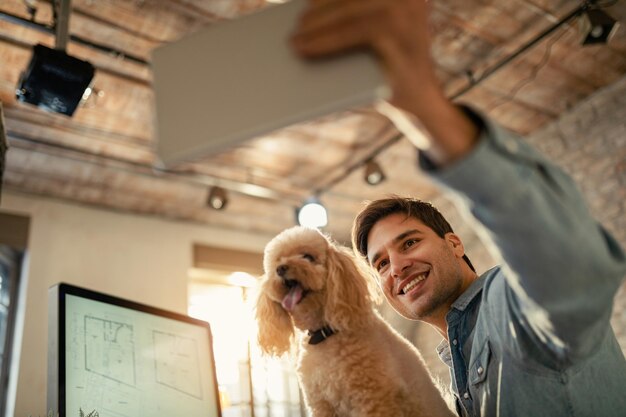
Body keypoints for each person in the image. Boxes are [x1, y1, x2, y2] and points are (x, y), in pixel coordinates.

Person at [291, 1, 626, 416]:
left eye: (409, 242)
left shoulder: (514, 305)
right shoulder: (458, 359)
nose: (396, 267)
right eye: (380, 264)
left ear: (453, 243)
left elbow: (575, 270)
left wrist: (425, 106)